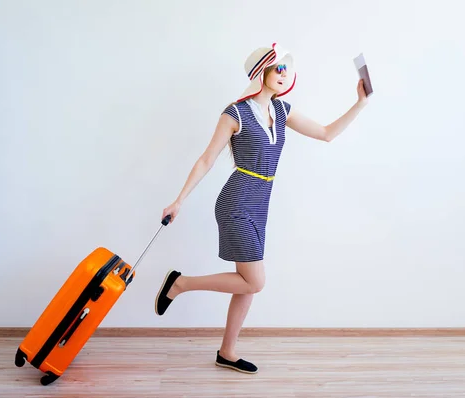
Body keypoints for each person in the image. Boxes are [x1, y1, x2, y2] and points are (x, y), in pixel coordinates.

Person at [154, 43, 369, 374]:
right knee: (255, 281)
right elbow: (207, 158)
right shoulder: (235, 113)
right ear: (262, 74)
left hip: (260, 205)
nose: (284, 75)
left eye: (287, 69)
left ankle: (227, 351)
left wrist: (360, 102)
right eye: (278, 68)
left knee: (246, 282)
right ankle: (181, 284)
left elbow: (326, 134)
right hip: (236, 202)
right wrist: (179, 199)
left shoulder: (282, 111)